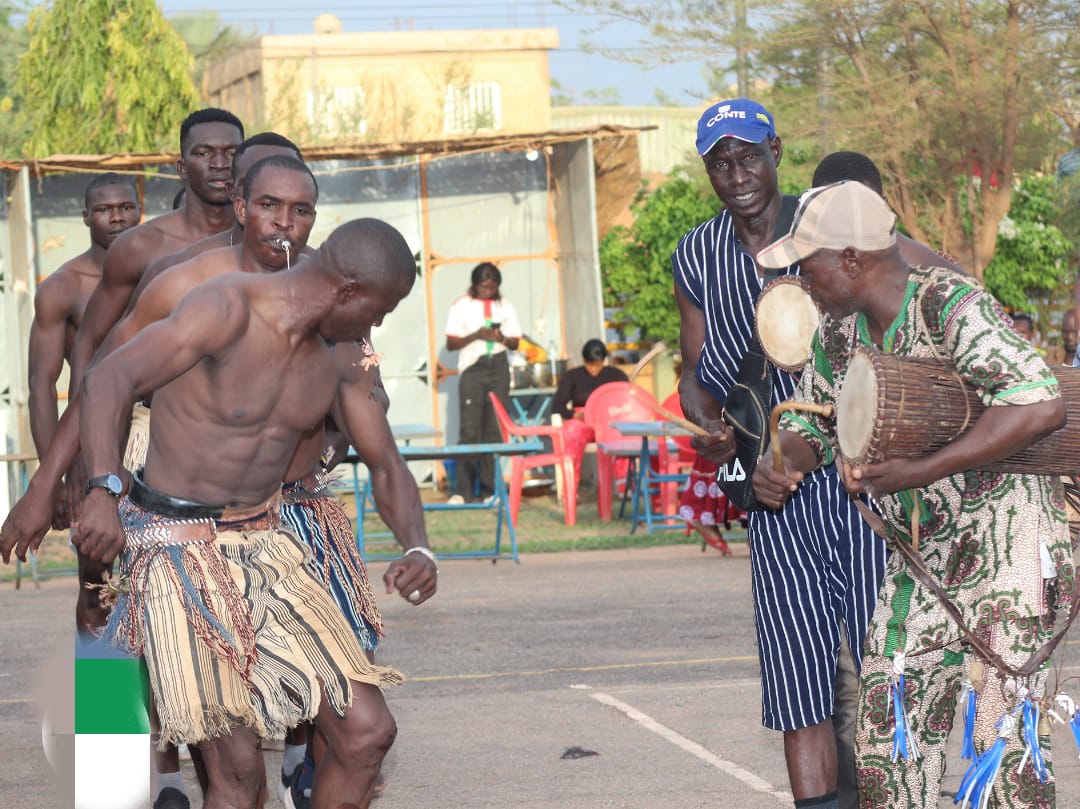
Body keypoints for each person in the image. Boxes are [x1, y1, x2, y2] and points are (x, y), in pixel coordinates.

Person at [71, 218, 435, 809]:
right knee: (238, 776)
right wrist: (100, 490)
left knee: (368, 732)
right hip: (175, 549)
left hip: (268, 548)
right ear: (347, 290)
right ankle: (125, 781)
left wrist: (419, 546)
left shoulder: (343, 355)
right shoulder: (227, 307)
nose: (378, 325)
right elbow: (109, 375)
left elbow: (386, 460)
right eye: (380, 309)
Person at [753, 180, 1072, 808]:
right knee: (887, 725)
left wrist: (923, 470)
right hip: (926, 560)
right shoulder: (839, 335)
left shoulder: (950, 304)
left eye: (806, 263)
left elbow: (1039, 402)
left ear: (850, 259)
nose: (800, 279)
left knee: (1002, 742)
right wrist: (779, 463)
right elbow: (808, 424)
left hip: (1012, 548)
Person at [670, 98, 887, 809]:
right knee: (799, 686)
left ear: (777, 151)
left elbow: (878, 336)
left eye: (748, 156)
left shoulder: (825, 225)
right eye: (720, 162)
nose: (737, 175)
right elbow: (697, 371)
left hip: (861, 478)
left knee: (888, 666)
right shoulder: (696, 255)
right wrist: (709, 421)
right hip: (772, 487)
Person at [27, 173, 141, 529]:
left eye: (126, 207)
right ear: (86, 217)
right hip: (90, 437)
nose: (117, 217)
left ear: (140, 212)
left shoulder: (163, 274)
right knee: (95, 575)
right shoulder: (63, 287)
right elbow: (41, 387)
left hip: (165, 434)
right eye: (104, 209)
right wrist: (54, 477)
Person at [444, 262, 522, 503]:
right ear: (475, 284)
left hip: (498, 366)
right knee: (469, 431)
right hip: (473, 369)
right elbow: (451, 343)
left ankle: (490, 490)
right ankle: (462, 492)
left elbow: (516, 343)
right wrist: (477, 335)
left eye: (491, 286)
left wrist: (501, 337)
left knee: (493, 431)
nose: (487, 290)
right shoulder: (462, 305)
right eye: (483, 286)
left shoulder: (505, 305)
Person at [550, 338, 628, 487]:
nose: (593, 369)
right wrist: (576, 415)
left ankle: (625, 486)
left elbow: (626, 399)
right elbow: (557, 406)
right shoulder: (572, 376)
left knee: (622, 438)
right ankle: (571, 486)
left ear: (604, 361)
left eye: (597, 365)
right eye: (590, 364)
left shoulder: (616, 375)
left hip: (609, 423)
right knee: (571, 432)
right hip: (583, 422)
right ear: (584, 361)